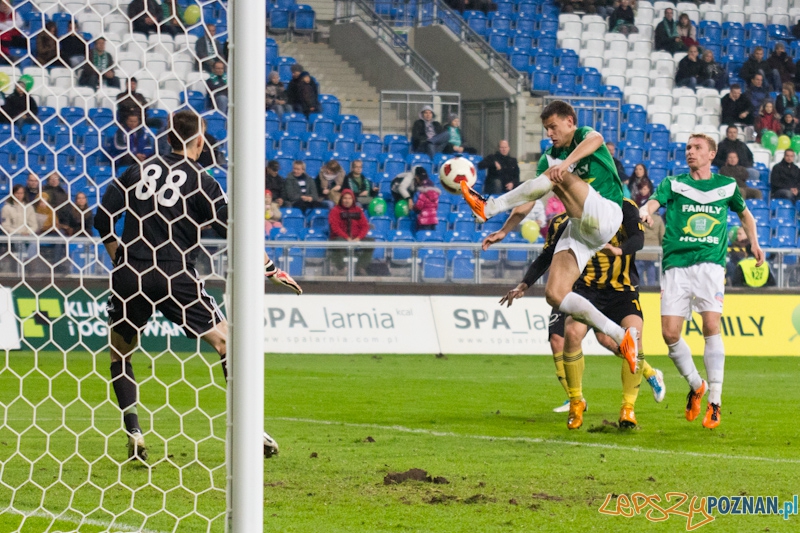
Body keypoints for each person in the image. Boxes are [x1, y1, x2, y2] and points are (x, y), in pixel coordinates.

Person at [93, 109, 300, 461]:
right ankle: (249, 430)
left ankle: (135, 431)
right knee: (226, 342)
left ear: (168, 138)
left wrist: (120, 259)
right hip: (174, 273)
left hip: (130, 273)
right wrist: (270, 268)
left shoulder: (136, 170)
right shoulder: (203, 181)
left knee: (120, 354)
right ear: (200, 140)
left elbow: (101, 219)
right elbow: (234, 233)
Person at [462, 100, 639, 429]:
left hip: (606, 216)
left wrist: (567, 164)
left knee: (556, 175)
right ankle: (621, 337)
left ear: (570, 122)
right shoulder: (551, 159)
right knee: (555, 294)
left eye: (554, 127)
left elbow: (596, 140)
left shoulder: (584, 138)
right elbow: (531, 196)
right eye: (546, 129)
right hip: (579, 226)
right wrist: (505, 230)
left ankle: (488, 206)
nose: (549, 133)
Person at [492, 201, 666, 428]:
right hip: (584, 290)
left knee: (629, 337)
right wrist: (524, 284)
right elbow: (547, 256)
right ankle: (575, 402)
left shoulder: (624, 208)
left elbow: (638, 239)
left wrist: (618, 250)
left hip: (621, 291)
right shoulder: (561, 222)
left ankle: (628, 408)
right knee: (570, 334)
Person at [639, 133, 763, 429]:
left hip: (710, 265)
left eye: (697, 148)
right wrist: (645, 210)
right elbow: (654, 202)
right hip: (676, 265)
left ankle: (715, 403)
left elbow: (747, 216)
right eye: (687, 148)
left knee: (711, 326)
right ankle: (696, 384)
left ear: (711, 154)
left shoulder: (726, 186)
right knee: (669, 334)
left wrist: (755, 244)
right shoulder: (675, 183)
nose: (690, 152)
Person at [328, 189, 372, 275]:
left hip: (356, 238)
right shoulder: (335, 210)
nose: (347, 200)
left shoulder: (358, 210)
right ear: (341, 199)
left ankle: (360, 267)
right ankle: (341, 268)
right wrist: (347, 238)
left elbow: (365, 226)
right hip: (341, 238)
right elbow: (335, 227)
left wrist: (358, 238)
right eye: (345, 198)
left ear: (353, 199)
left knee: (370, 242)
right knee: (338, 243)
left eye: (349, 198)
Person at [636, 184, 663, 287]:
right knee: (651, 275)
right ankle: (652, 291)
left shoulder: (638, 218)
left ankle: (640, 291)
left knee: (639, 276)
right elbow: (662, 235)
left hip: (640, 250)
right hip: (653, 252)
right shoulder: (658, 219)